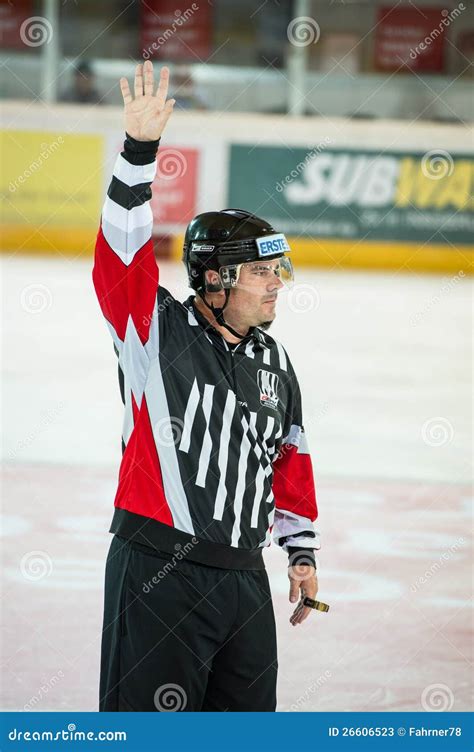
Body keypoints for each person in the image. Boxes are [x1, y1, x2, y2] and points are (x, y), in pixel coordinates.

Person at [93, 61, 320, 712]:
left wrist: (299, 553)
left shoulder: (274, 361)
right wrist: (139, 153)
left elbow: (288, 457)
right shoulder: (153, 330)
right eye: (261, 271)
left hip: (245, 581)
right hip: (159, 572)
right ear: (215, 278)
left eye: (280, 271)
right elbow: (121, 254)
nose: (277, 283)